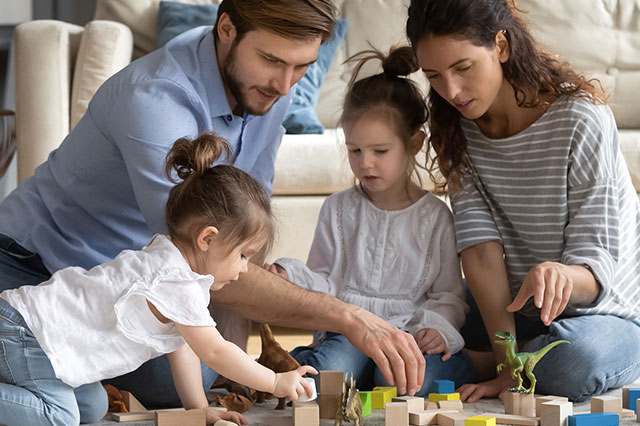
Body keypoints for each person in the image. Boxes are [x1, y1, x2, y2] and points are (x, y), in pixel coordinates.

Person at [0, 0, 425, 411]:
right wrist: (350, 317)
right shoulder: (156, 100)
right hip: (32, 268)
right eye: (272, 60)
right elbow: (199, 251)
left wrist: (234, 361)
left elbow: (239, 235)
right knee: (180, 376)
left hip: (132, 283)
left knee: (200, 372)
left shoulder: (272, 92)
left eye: (303, 67)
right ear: (226, 30)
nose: (285, 84)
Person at [406, 0, 640, 402]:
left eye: (463, 68)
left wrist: (562, 276)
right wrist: (507, 365)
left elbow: (597, 268)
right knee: (413, 338)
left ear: (501, 45)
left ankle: (477, 361)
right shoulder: (456, 130)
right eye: (434, 77)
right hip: (512, 310)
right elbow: (480, 254)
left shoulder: (581, 119)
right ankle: (503, 360)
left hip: (601, 313)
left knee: (572, 364)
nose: (451, 91)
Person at [0, 133, 318, 426]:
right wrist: (275, 382)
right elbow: (216, 352)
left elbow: (183, 350)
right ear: (207, 239)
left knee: (92, 405)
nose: (246, 269)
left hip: (36, 334)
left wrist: (197, 409)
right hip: (27, 332)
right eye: (243, 255)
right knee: (60, 416)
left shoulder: (173, 265)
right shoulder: (175, 281)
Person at [264, 46, 476, 395]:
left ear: (413, 143)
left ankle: (461, 364)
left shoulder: (436, 218)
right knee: (327, 381)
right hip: (350, 332)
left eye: (380, 151)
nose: (366, 164)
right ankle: (315, 364)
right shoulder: (338, 209)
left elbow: (448, 295)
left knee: (397, 380)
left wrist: (437, 329)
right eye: (355, 151)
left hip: (409, 332)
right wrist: (289, 274)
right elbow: (323, 279)